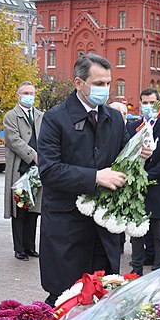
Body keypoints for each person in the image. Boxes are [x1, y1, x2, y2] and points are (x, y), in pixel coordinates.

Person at [37, 53, 151, 305]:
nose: (105, 90)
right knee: (64, 301)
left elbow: (122, 165)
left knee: (101, 297)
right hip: (66, 226)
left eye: (108, 83)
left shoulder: (113, 119)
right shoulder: (55, 119)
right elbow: (49, 171)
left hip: (103, 229)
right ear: (79, 83)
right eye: (99, 84)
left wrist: (140, 155)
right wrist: (95, 177)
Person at [126, 88, 160, 275]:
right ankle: (136, 267)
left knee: (159, 230)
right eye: (144, 103)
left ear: (159, 105)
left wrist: (146, 177)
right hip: (135, 187)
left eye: (151, 103)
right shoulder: (132, 128)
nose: (148, 106)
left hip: (157, 185)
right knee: (136, 230)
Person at [3, 81, 43, 261]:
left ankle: (30, 246)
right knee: (19, 210)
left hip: (37, 170)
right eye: (25, 93)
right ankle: (19, 248)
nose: (29, 96)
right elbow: (14, 140)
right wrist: (34, 155)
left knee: (34, 209)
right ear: (18, 96)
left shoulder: (40, 115)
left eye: (32, 93)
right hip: (20, 167)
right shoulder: (11, 116)